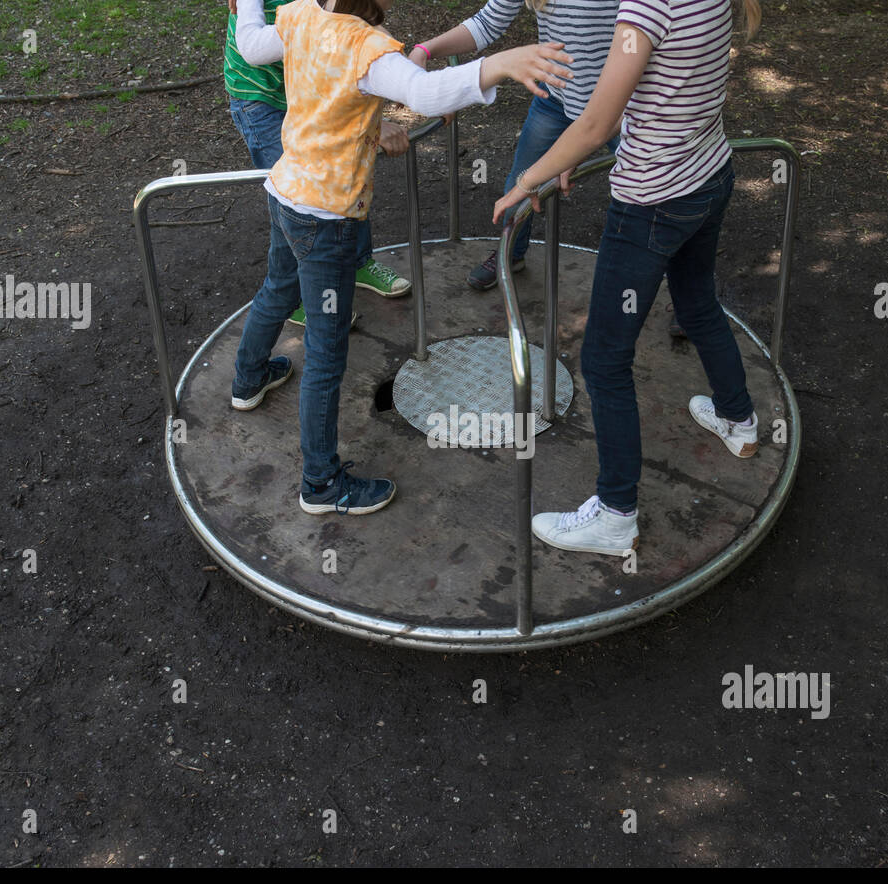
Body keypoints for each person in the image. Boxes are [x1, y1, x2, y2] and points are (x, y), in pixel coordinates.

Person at [233, 0, 574, 516]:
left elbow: (254, 45)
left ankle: (248, 379)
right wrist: (500, 64)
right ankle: (321, 485)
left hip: (285, 193)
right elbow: (424, 93)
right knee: (325, 356)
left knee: (278, 288)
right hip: (326, 217)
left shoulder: (301, 15)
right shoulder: (366, 46)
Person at [492, 0, 762, 554]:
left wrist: (527, 180)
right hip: (707, 175)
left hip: (653, 201)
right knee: (698, 304)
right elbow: (625, 101)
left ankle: (616, 514)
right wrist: (570, 152)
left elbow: (593, 123)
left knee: (604, 360)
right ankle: (739, 420)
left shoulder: (647, 8)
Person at [224, 0, 411, 331]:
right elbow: (254, 48)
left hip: (316, 82)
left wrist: (397, 72)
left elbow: (349, 18)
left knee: (345, 168)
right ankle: (292, 296)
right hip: (262, 96)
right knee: (295, 195)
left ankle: (357, 261)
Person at [411, 0, 620, 291]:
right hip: (556, 99)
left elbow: (648, 49)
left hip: (624, 104)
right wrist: (426, 49)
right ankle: (512, 254)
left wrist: (582, 141)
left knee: (659, 198)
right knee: (519, 186)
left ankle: (687, 297)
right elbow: (487, 23)